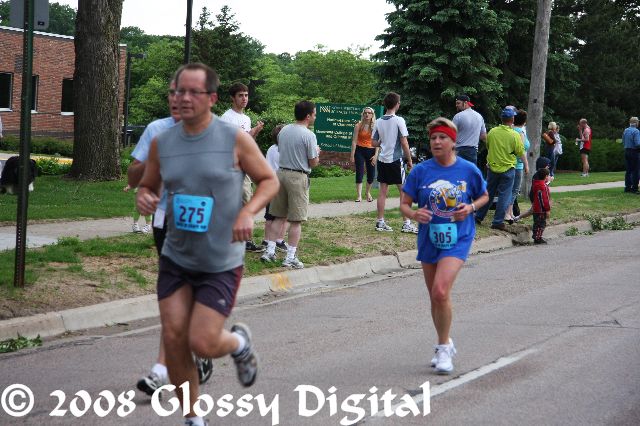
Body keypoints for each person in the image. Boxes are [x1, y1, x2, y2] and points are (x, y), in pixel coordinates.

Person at [136, 63, 279, 426]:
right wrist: (145, 196)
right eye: (177, 91)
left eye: (192, 92)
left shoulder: (234, 139)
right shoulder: (163, 142)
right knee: (174, 338)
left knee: (202, 341)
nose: (182, 98)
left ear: (212, 98)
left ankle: (239, 344)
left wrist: (247, 212)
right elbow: (148, 184)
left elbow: (268, 180)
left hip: (220, 259)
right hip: (177, 255)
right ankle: (193, 417)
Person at [127, 79, 213, 397]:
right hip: (165, 222)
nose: (179, 99)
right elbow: (134, 174)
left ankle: (162, 369)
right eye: (174, 93)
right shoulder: (156, 130)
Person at [400, 117, 488, 374]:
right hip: (430, 237)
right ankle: (445, 341)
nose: (437, 142)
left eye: (442, 137)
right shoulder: (420, 171)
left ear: (453, 142)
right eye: (433, 138)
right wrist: (414, 214)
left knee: (440, 291)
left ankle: (442, 349)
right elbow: (404, 204)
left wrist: (470, 208)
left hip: (458, 236)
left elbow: (484, 195)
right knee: (436, 297)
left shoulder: (468, 169)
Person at [263, 100, 320, 269]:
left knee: (278, 215)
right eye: (314, 114)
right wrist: (317, 153)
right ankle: (290, 257)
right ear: (308, 116)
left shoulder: (284, 130)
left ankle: (270, 251)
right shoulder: (309, 135)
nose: (315, 117)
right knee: (296, 220)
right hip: (298, 176)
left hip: (280, 174)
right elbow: (313, 162)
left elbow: (282, 152)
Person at [220, 82, 265, 253]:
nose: (244, 98)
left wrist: (255, 132)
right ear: (232, 98)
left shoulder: (246, 119)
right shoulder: (227, 118)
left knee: (245, 200)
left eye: (246, 95)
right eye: (240, 95)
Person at [371, 92, 417, 233]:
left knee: (382, 192)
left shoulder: (378, 121)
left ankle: (380, 222)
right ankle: (406, 224)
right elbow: (404, 142)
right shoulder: (399, 120)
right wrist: (410, 160)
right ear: (397, 104)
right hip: (395, 160)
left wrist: (383, 141)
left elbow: (373, 143)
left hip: (382, 160)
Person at [474, 107, 524, 230]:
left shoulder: (492, 132)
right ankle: (497, 221)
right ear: (512, 119)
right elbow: (519, 152)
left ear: (501, 118)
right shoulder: (515, 135)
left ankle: (479, 216)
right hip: (508, 168)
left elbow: (489, 146)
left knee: (488, 193)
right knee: (504, 195)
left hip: (493, 168)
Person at [261, 124, 289, 255]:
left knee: (269, 216)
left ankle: (266, 240)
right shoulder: (285, 150)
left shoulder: (271, 149)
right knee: (283, 216)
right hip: (280, 184)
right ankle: (279, 239)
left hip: (269, 183)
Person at [505, 109, 530, 223]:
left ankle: (510, 212)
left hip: (509, 162)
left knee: (509, 189)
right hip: (517, 164)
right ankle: (508, 212)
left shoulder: (510, 129)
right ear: (524, 121)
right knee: (514, 190)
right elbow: (521, 150)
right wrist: (526, 165)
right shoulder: (520, 132)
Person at [350, 107, 378, 202]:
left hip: (371, 150)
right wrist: (352, 154)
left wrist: (376, 155)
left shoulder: (375, 126)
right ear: (363, 114)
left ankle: (367, 192)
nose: (367, 114)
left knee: (371, 174)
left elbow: (377, 142)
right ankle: (359, 196)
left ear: (372, 115)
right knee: (359, 172)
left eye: (369, 113)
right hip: (360, 150)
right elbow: (354, 141)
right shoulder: (358, 125)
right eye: (365, 113)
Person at [452, 94, 487, 165]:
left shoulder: (458, 116)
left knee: (457, 171)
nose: (456, 105)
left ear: (465, 103)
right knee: (470, 171)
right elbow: (483, 136)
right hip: (472, 151)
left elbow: (450, 133)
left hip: (459, 150)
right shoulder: (479, 116)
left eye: (458, 103)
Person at [529, 166, 552, 244]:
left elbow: (532, 195)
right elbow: (545, 199)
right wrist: (547, 210)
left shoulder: (536, 184)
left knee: (536, 223)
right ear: (546, 177)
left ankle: (536, 236)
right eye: (548, 175)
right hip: (541, 210)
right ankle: (537, 238)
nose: (549, 177)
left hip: (536, 208)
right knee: (541, 224)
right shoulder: (543, 186)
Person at [622, 116, 640, 194]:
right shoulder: (636, 131)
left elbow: (623, 141)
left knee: (628, 170)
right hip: (634, 152)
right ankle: (635, 188)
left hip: (627, 151)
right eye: (638, 122)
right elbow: (637, 144)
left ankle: (627, 187)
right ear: (636, 122)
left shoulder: (626, 130)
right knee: (636, 170)